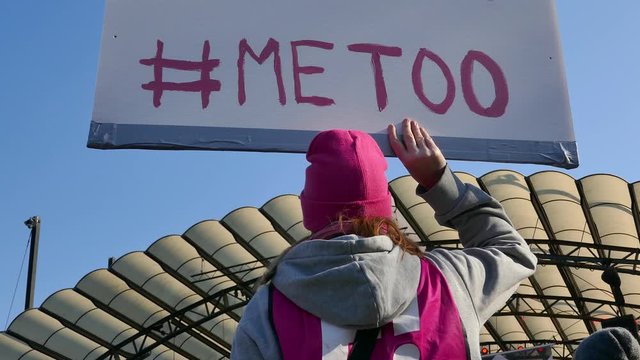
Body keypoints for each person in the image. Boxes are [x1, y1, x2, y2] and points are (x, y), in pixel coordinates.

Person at [230, 118, 538, 359]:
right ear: (385, 207)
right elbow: (513, 253)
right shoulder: (448, 279)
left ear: (309, 209)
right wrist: (439, 180)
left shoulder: (269, 307)